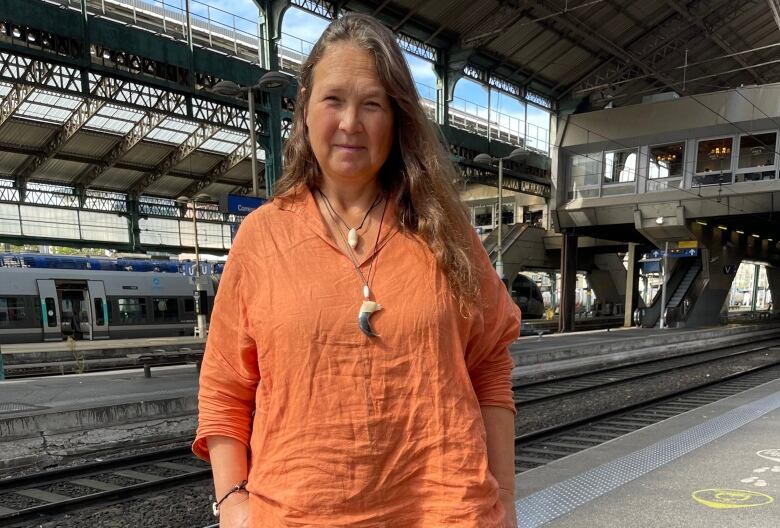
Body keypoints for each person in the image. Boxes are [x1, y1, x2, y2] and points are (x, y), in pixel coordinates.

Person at [194, 13, 520, 528]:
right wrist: (233, 501)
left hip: (445, 514)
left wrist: (504, 498)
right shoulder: (262, 237)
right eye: (333, 100)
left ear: (397, 117)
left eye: (371, 103)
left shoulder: (446, 231)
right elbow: (225, 387)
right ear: (304, 108)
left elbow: (490, 365)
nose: (350, 123)